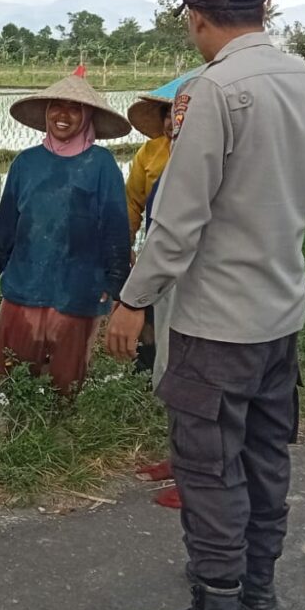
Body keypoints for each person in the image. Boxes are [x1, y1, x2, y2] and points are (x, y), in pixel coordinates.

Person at [106, 0, 305, 610]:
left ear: (196, 18)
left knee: (208, 467)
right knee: (265, 455)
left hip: (215, 322)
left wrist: (132, 300)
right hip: (279, 313)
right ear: (260, 10)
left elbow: (177, 221)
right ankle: (256, 589)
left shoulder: (216, 92)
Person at [0, 67, 131, 397]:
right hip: (25, 284)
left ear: (87, 116)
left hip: (78, 288)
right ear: (45, 113)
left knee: (66, 377)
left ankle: (59, 437)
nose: (63, 115)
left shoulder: (101, 165)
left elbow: (116, 227)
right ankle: (21, 430)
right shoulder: (25, 163)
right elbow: (6, 225)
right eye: (56, 107)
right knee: (14, 371)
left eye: (74, 108)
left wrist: (116, 279)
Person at [126, 72, 202, 509]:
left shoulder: (212, 155)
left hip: (200, 274)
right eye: (172, 113)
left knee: (196, 371)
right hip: (161, 267)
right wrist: (128, 258)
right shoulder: (152, 153)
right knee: (168, 365)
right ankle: (179, 458)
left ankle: (198, 475)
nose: (177, 120)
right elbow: (133, 204)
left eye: (185, 113)